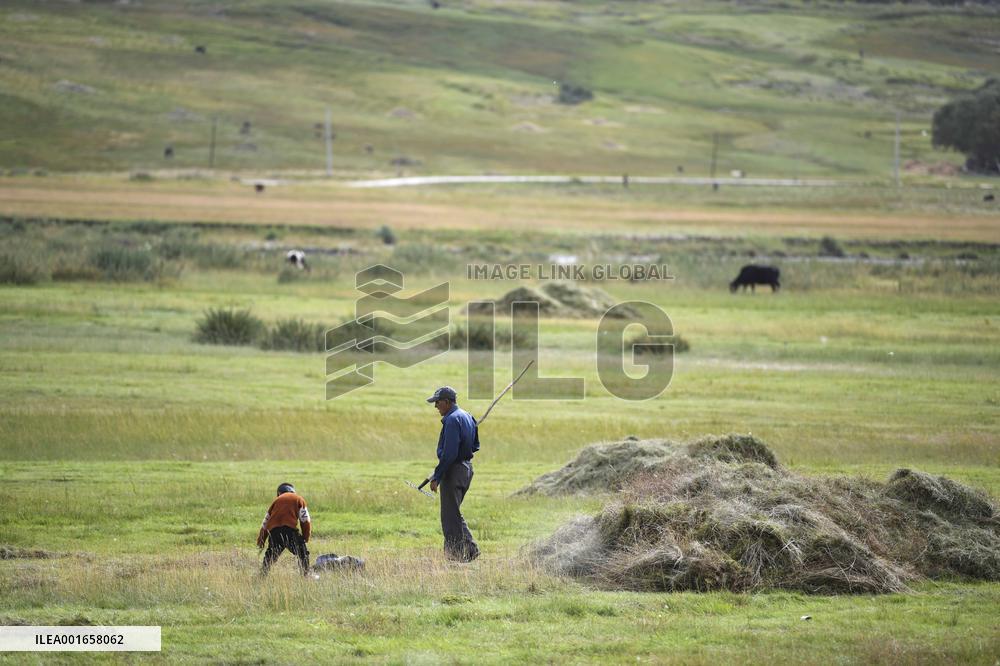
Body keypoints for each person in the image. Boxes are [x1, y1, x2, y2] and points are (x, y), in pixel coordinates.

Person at [427, 386, 480, 562]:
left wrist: (437, 476)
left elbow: (449, 454)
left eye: (437, 402)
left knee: (449, 517)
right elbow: (475, 446)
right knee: (454, 513)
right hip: (467, 469)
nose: (436, 406)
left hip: (454, 471)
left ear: (447, 402)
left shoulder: (451, 420)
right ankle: (470, 550)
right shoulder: (468, 416)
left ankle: (456, 556)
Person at [257, 482, 311, 575]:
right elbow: (305, 520)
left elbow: (265, 523)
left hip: (274, 532)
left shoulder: (276, 501)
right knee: (302, 554)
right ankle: (305, 575)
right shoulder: (299, 499)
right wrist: (305, 537)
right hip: (290, 531)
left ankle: (262, 575)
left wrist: (261, 540)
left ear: (279, 493)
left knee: (270, 557)